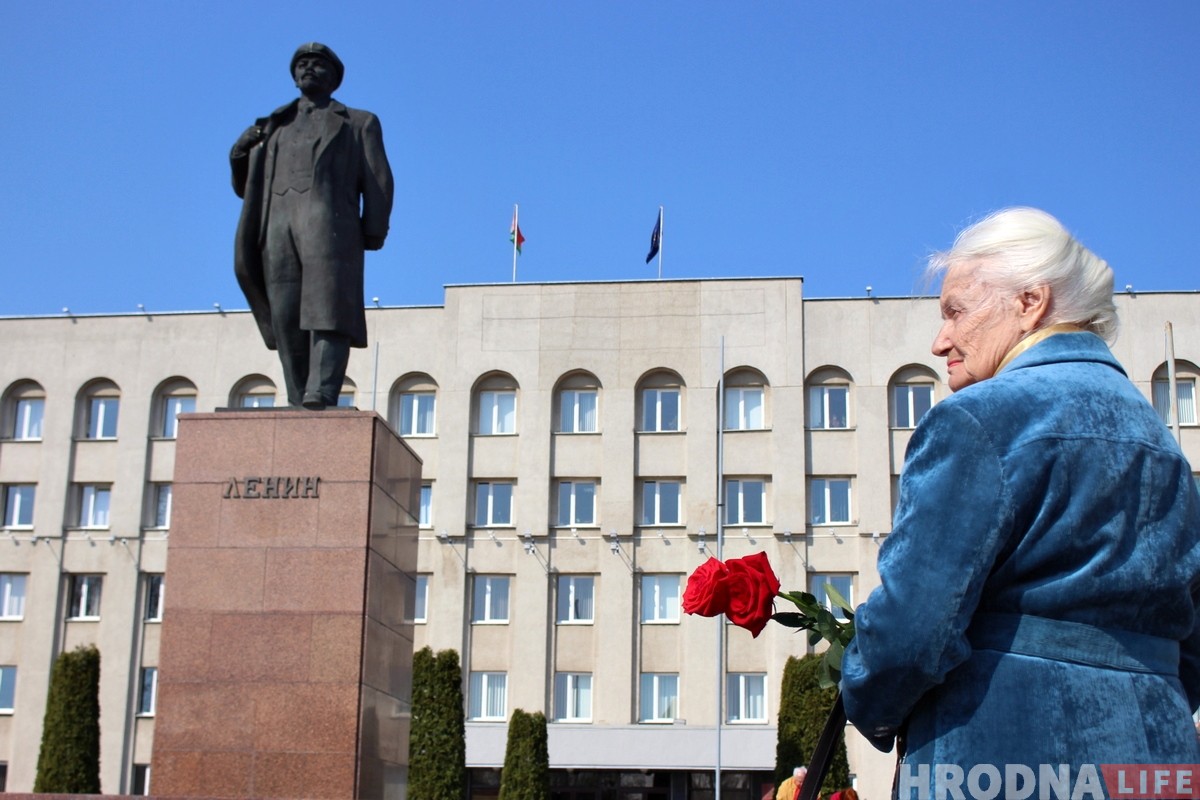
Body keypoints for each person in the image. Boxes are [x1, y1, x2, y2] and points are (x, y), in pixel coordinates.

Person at [840, 208, 1200, 793]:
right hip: (1157, 761)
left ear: (1030, 302)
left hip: (1002, 751)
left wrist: (865, 694)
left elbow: (910, 633)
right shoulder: (1165, 446)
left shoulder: (978, 420)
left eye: (955, 311)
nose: (940, 341)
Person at [231, 42, 394, 409]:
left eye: (319, 64)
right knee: (285, 311)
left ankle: (321, 390)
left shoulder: (358, 122)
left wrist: (374, 228)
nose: (309, 69)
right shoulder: (271, 127)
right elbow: (247, 188)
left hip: (330, 228)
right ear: (293, 76)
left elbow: (378, 178)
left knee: (328, 310)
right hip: (277, 224)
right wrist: (240, 151)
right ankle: (297, 393)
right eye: (302, 64)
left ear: (334, 77)